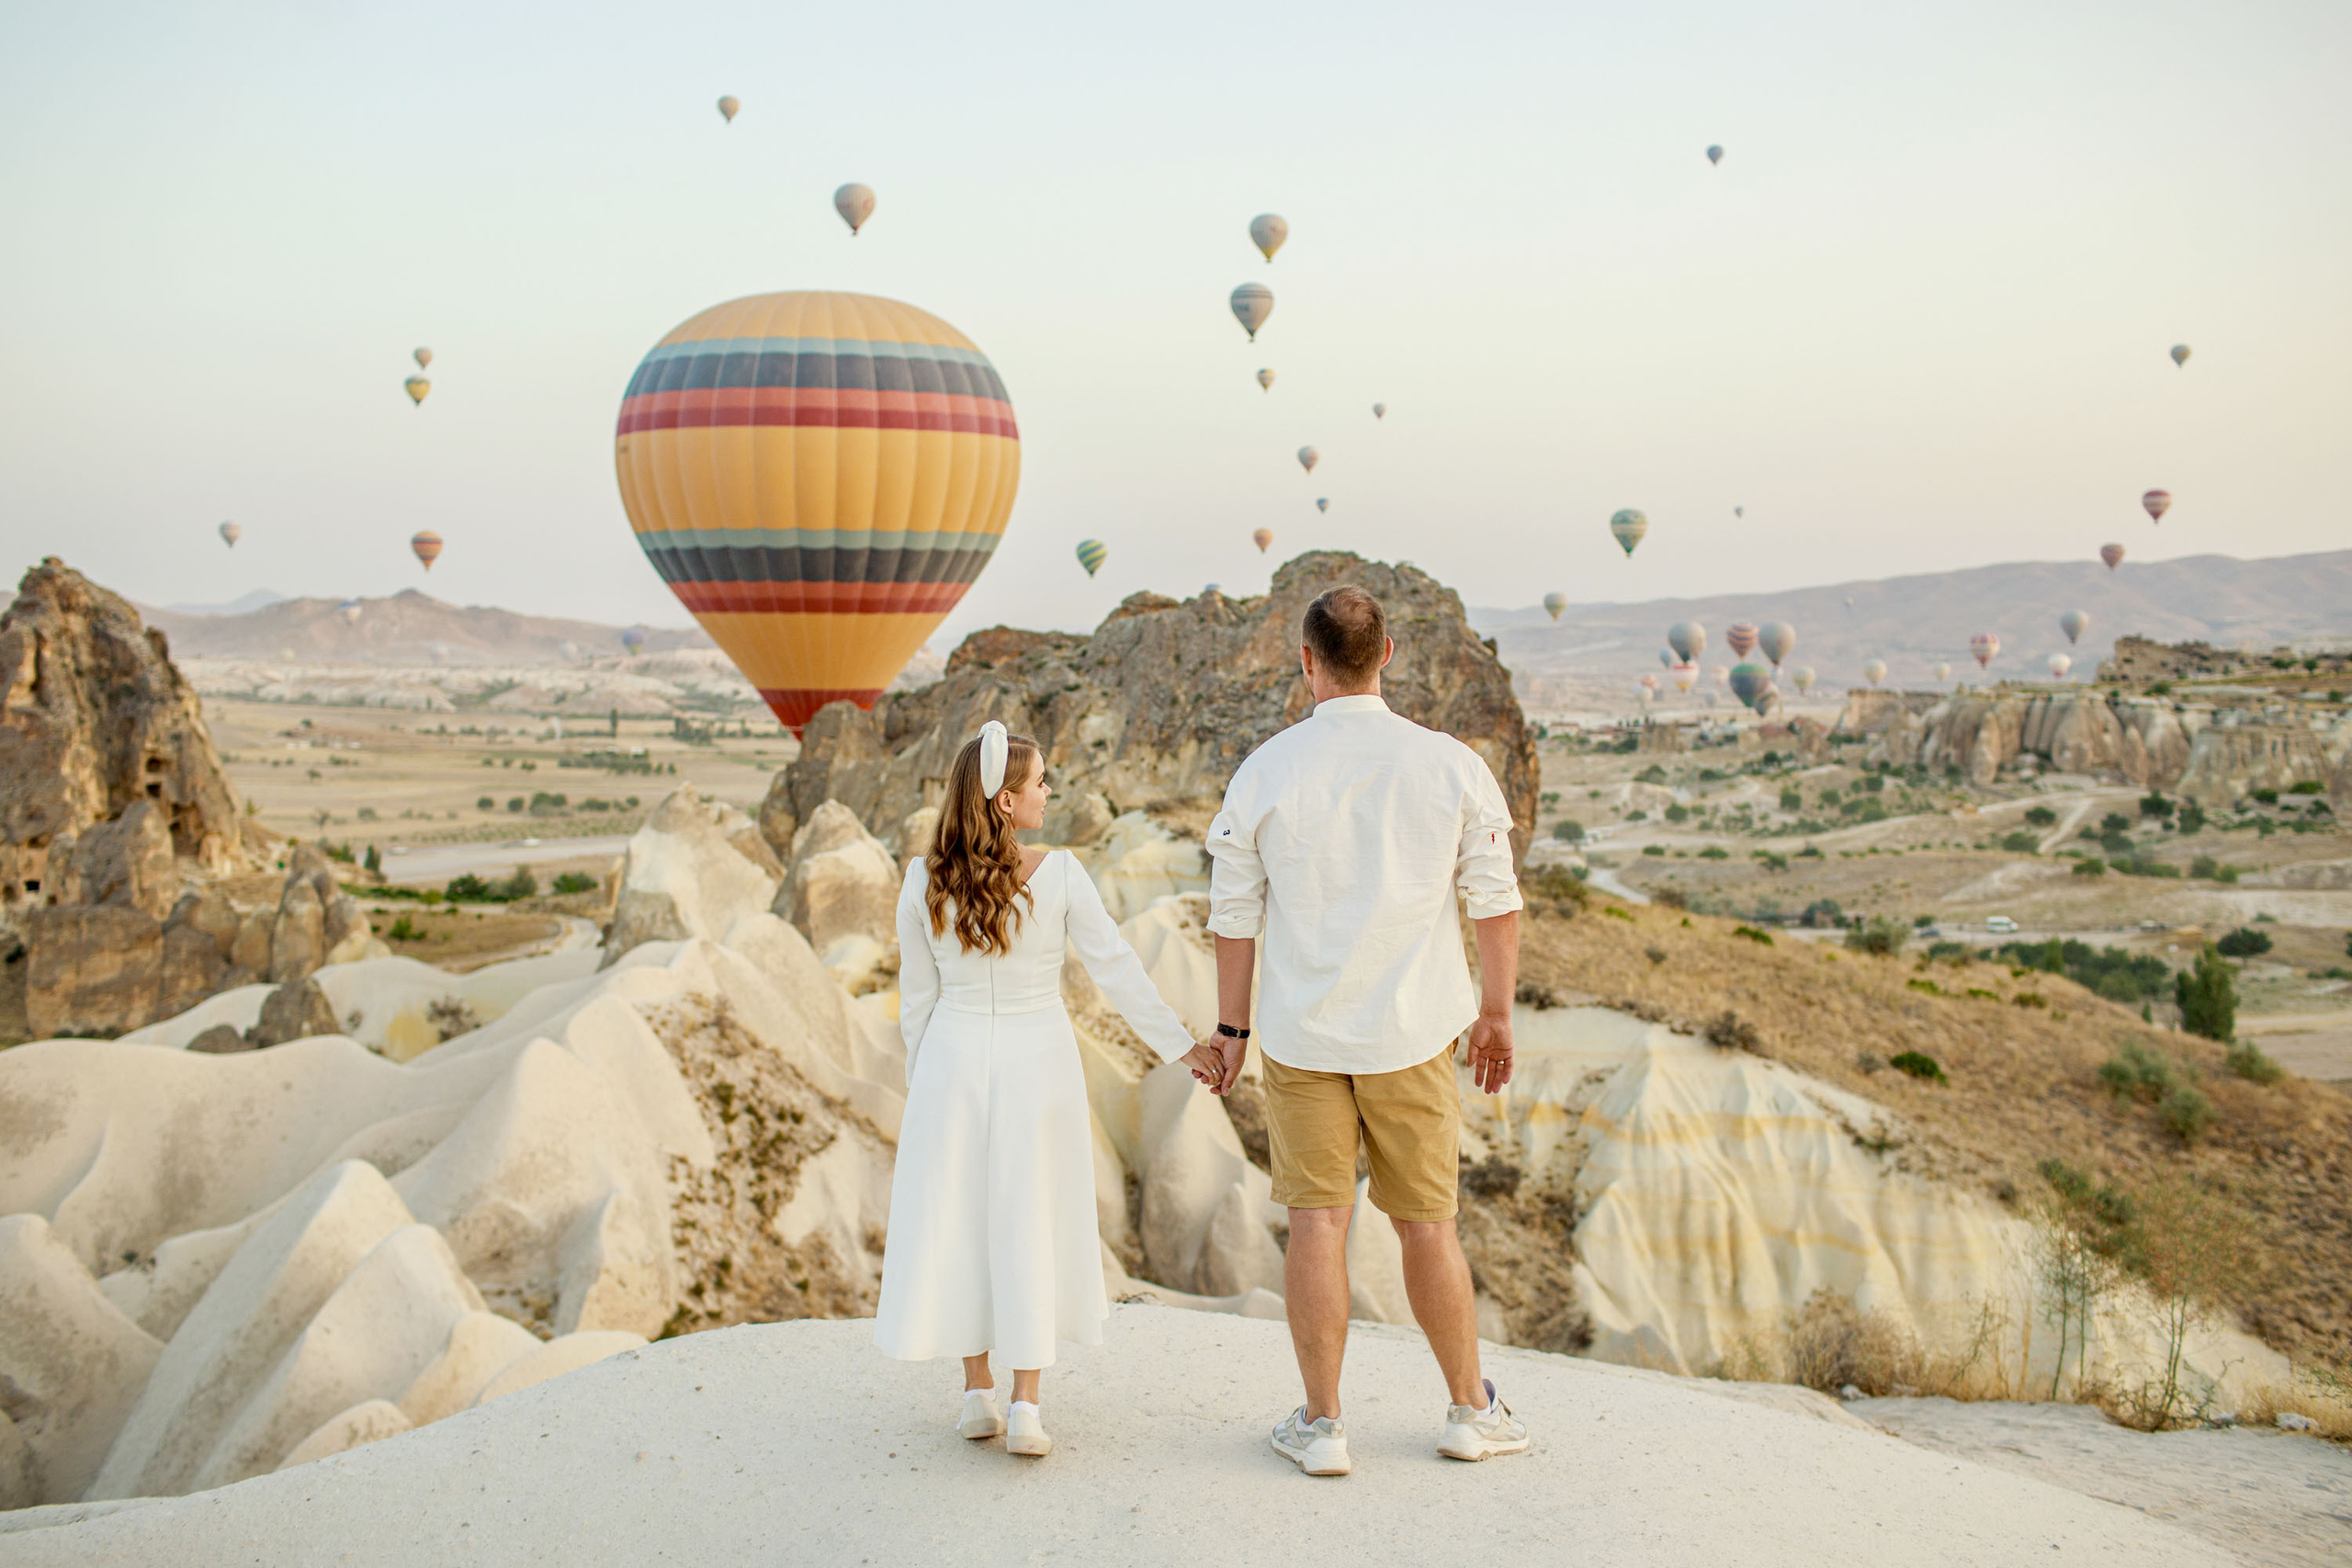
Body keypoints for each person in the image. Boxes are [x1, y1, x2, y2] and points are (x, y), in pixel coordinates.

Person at [1198, 584, 1529, 1476]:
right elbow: (1494, 903)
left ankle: (1323, 1424)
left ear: (1305, 662)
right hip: (1412, 1034)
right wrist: (1495, 1012)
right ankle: (1468, 1411)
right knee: (1429, 1228)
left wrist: (1229, 1029)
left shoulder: (1264, 771)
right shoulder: (1449, 763)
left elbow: (1234, 916)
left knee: (1316, 1226)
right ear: (1387, 656)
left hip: (1303, 1038)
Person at [874, 720, 1230, 1459]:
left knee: (965, 1216)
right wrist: (1183, 1046)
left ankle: (977, 1394)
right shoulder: (1062, 874)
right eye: (1039, 784)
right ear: (1006, 801)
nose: (1048, 793)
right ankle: (1025, 1405)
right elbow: (1119, 970)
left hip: (951, 1063)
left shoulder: (921, 880)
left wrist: (927, 1083)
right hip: (1038, 1064)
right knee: (1028, 1215)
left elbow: (916, 1000)